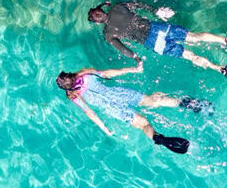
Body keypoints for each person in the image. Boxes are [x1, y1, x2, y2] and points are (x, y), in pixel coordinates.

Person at [55, 63, 213, 154]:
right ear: (70, 75)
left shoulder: (73, 96)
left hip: (112, 109)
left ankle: (160, 139)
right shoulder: (84, 74)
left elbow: (90, 113)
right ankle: (191, 105)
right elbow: (108, 73)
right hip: (119, 94)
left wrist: (105, 129)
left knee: (144, 124)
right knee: (154, 101)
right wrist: (131, 69)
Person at [88, 1, 227, 77]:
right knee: (194, 37)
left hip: (153, 43)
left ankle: (220, 69)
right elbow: (139, 4)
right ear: (102, 10)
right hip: (156, 28)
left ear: (97, 22)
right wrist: (155, 10)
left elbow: (125, 50)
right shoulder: (117, 7)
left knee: (189, 56)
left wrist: (137, 59)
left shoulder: (108, 34)